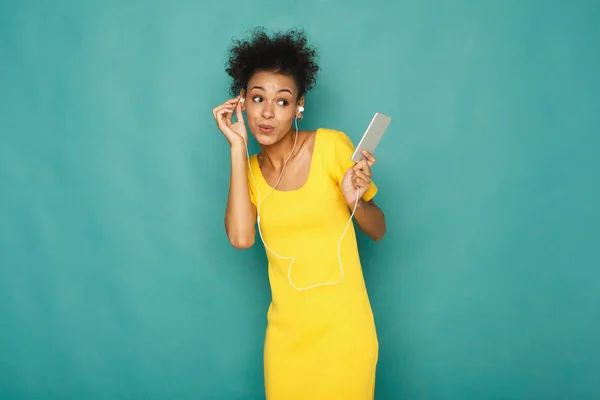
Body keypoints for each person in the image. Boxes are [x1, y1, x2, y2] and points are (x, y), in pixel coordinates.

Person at [212, 27, 387, 400]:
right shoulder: (250, 174)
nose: (268, 113)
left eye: (282, 101)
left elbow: (379, 230)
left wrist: (355, 201)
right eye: (258, 98)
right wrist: (236, 148)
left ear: (299, 106)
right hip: (286, 340)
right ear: (241, 102)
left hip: (345, 334)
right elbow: (241, 239)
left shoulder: (331, 146)